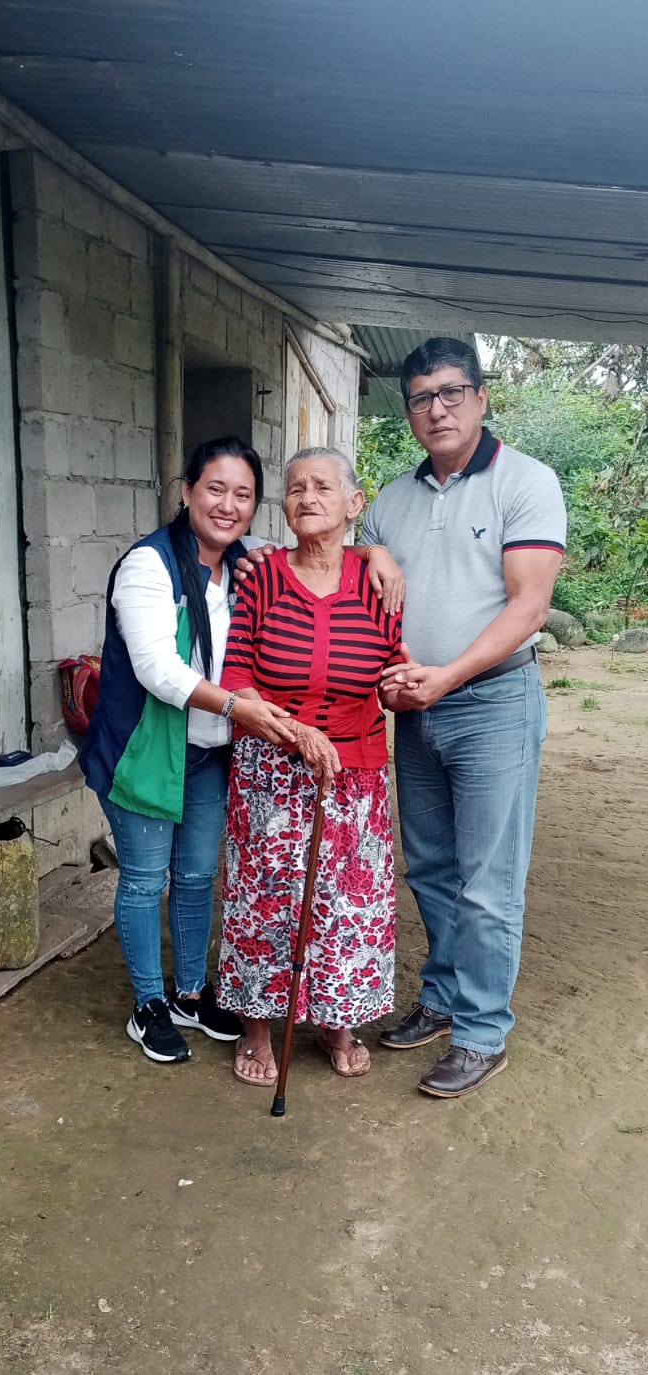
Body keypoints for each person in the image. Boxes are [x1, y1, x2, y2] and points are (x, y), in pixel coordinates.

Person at [362, 337, 566, 1098]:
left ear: (481, 398)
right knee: (432, 868)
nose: (437, 409)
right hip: (416, 712)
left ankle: (482, 1032)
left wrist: (445, 677)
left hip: (491, 705)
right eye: (421, 397)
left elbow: (530, 605)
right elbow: (355, 563)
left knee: (488, 880)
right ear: (408, 411)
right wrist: (369, 551)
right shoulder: (393, 499)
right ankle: (444, 998)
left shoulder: (525, 481)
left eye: (452, 393)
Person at [80, 437, 293, 1064]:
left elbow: (318, 557)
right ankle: (149, 1004)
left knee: (197, 876)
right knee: (146, 880)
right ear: (187, 492)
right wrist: (237, 709)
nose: (228, 505)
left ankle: (190, 995)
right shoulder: (150, 565)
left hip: (208, 752)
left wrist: (373, 553)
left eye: (243, 495)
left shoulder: (249, 562)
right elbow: (157, 668)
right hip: (145, 749)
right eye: (215, 489)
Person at [216, 447, 402, 1086]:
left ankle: (336, 1019)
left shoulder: (377, 582)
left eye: (323, 486)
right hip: (270, 768)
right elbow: (236, 676)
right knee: (267, 898)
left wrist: (404, 685)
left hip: (356, 770)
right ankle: (257, 1026)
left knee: (345, 901)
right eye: (296, 488)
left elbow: (391, 667)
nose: (307, 497)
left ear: (354, 504)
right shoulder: (262, 577)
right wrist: (297, 733)